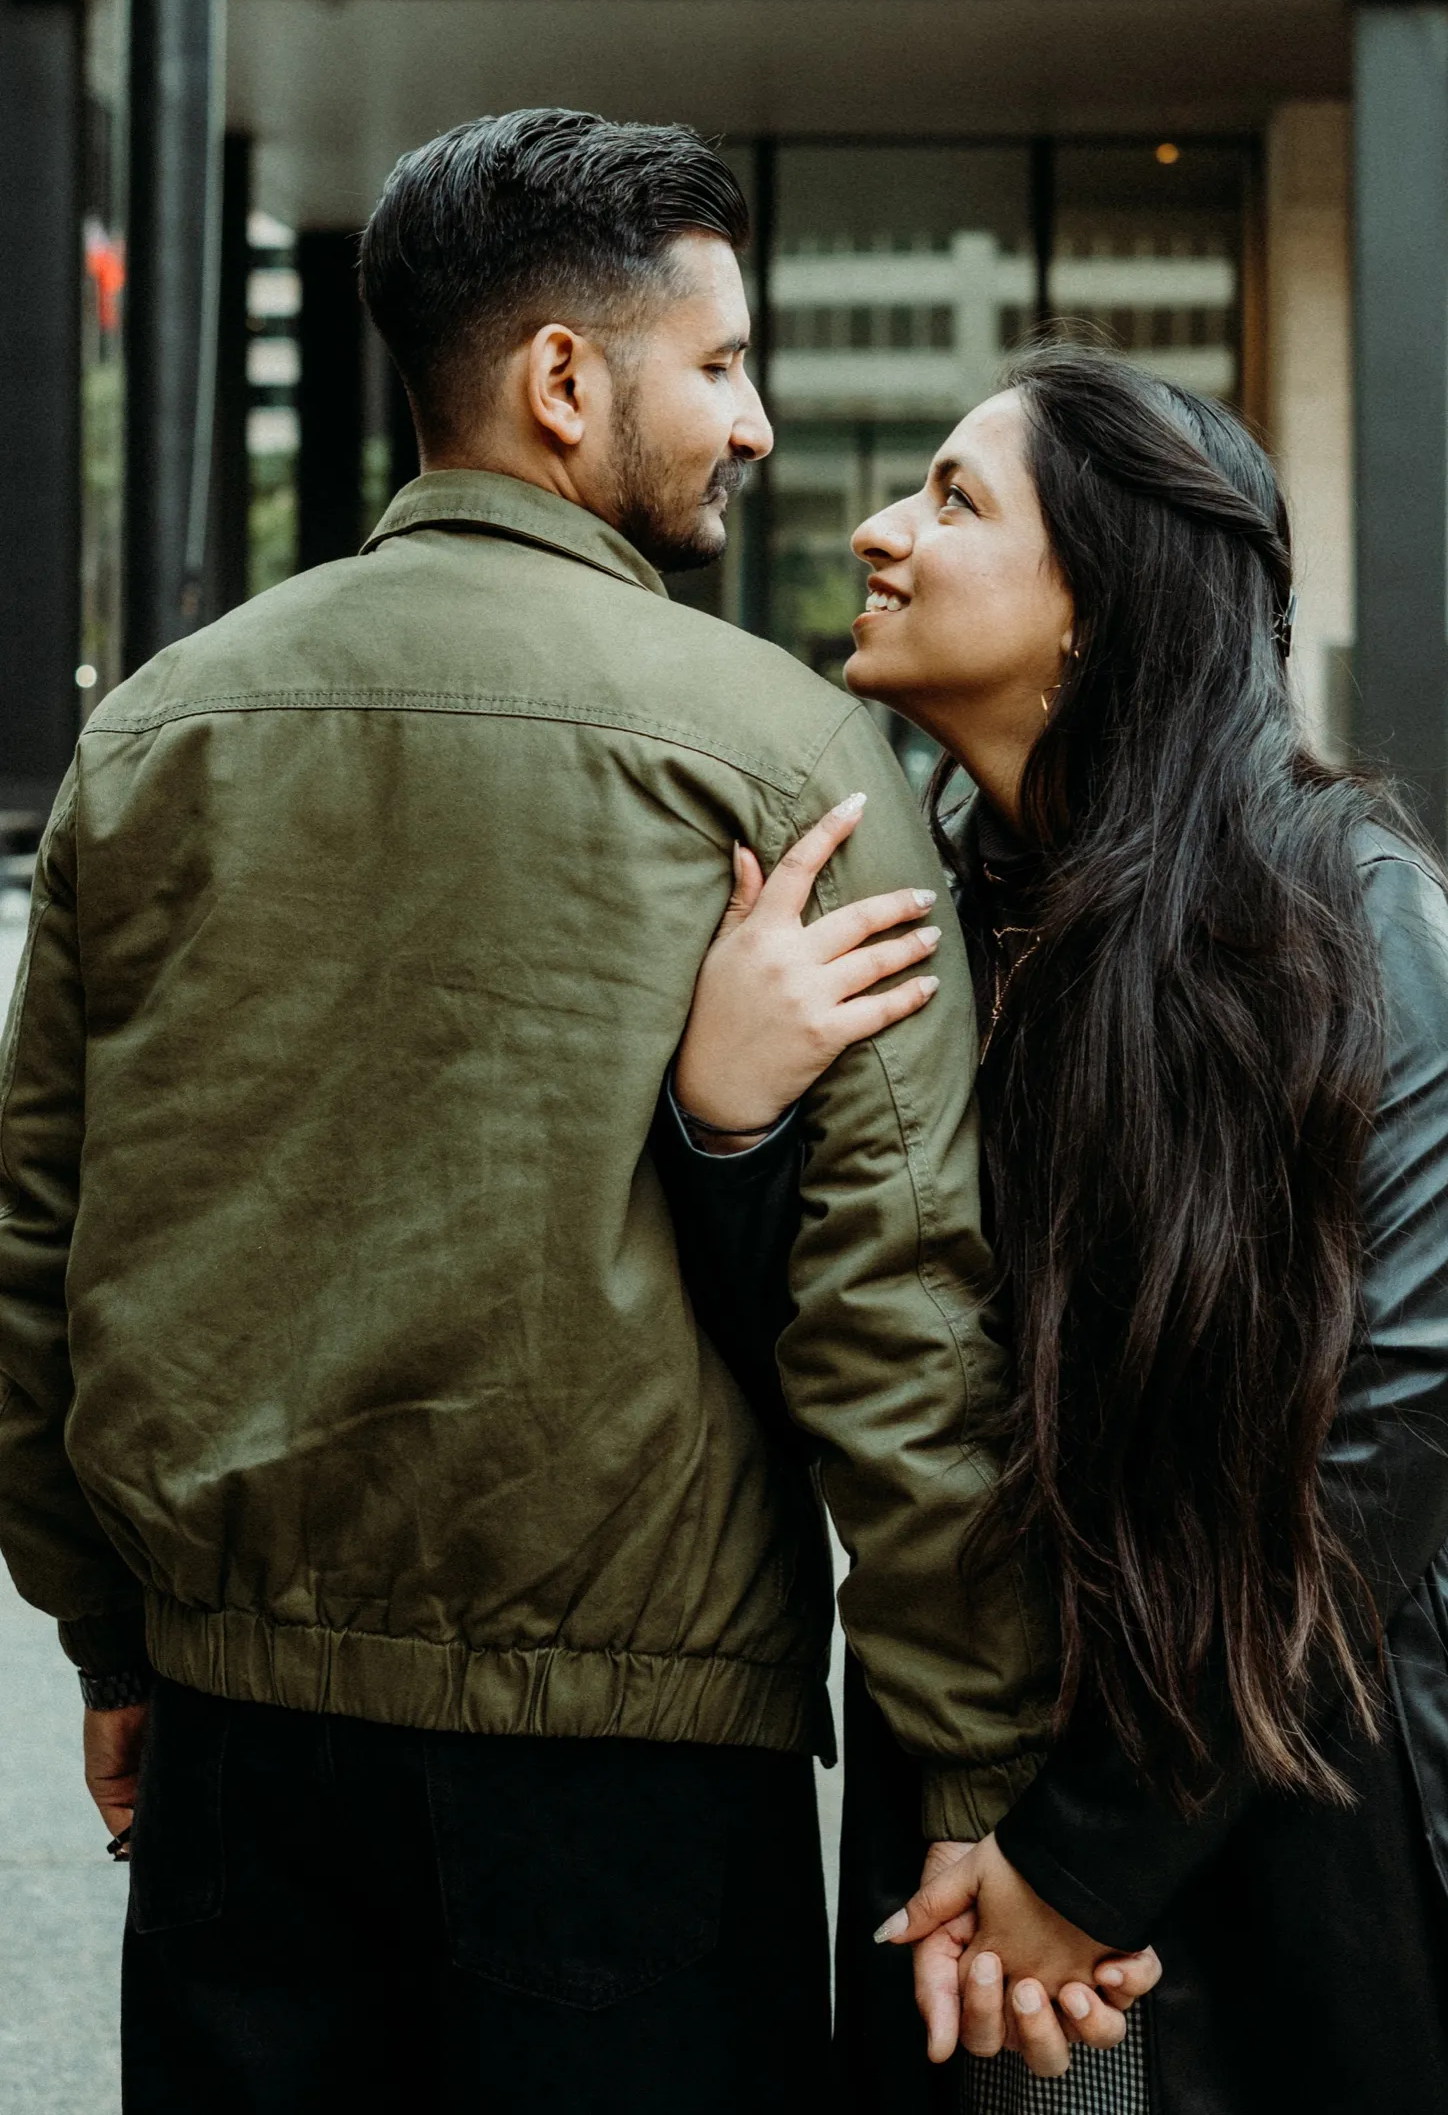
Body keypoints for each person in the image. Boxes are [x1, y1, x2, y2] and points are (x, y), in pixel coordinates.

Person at [0, 110, 1101, 2114]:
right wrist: (979, 1767)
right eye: (721, 362)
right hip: (642, 1776)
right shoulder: (784, 752)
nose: (755, 424)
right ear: (563, 380)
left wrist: (113, 1642)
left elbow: (36, 1243)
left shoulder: (150, 736)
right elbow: (899, 1312)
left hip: (244, 1745)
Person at [664, 346, 1448, 2112]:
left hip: (1347, 1767)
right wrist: (728, 1114)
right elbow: (828, 1355)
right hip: (1004, 1747)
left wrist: (1084, 1868)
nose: (875, 531)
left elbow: (1376, 1437)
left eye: (951, 498)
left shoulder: (1340, 911)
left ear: (1099, 607)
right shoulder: (909, 923)